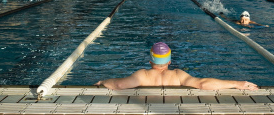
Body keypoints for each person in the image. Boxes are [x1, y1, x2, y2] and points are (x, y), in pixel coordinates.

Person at [95, 42, 258, 91]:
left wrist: (103, 81)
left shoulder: (142, 75)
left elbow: (119, 85)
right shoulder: (178, 75)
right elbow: (203, 84)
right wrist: (237, 84)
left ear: (150, 61)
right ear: (169, 61)